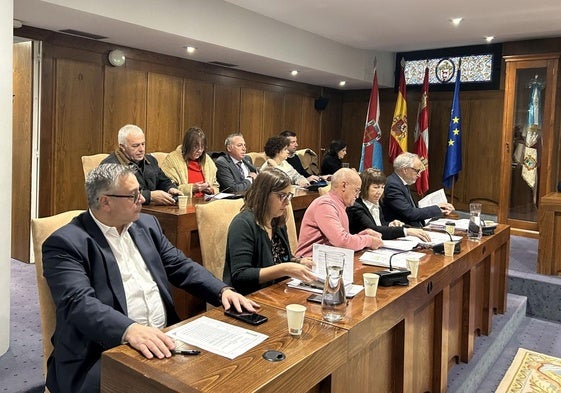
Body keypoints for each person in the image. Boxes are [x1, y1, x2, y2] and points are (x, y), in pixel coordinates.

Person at [42, 164, 259, 393]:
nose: (142, 200)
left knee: (236, 373)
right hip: (101, 352)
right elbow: (79, 303)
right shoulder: (66, 243)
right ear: (105, 202)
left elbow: (180, 265)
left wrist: (222, 291)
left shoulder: (147, 225)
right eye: (133, 195)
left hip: (164, 339)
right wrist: (129, 330)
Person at [223, 167, 317, 295]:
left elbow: (282, 258)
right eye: (282, 196)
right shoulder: (242, 224)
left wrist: (298, 262)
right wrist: (285, 269)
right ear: (264, 194)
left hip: (276, 291)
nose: (287, 203)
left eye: (289, 196)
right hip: (249, 297)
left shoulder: (277, 220)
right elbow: (240, 275)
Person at [295, 168, 383, 257]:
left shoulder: (338, 204)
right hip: (310, 263)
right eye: (356, 190)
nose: (357, 196)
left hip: (329, 259)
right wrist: (368, 240)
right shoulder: (325, 205)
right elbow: (342, 242)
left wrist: (363, 235)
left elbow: (341, 239)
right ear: (344, 186)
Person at [101, 124, 181, 205]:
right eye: (135, 146)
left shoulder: (150, 160)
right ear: (122, 147)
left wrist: (170, 188)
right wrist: (149, 196)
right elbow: (118, 195)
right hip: (124, 214)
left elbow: (164, 181)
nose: (141, 149)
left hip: (154, 211)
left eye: (143, 144)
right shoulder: (109, 166)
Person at [347, 168, 431, 242]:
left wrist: (390, 224)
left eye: (382, 187)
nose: (379, 192)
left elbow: (380, 223)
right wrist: (406, 231)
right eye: (376, 187)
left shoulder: (378, 202)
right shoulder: (356, 206)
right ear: (364, 188)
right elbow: (373, 229)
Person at [382, 152, 455, 227]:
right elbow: (410, 213)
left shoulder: (401, 182)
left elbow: (410, 209)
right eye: (417, 171)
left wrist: (439, 208)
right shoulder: (393, 185)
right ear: (405, 170)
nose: (419, 175)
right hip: (404, 230)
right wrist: (437, 208)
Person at [160, 127, 218, 198]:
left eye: (202, 147)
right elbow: (167, 187)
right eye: (196, 147)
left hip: (206, 202)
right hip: (184, 203)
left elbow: (215, 185)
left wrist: (211, 190)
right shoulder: (172, 159)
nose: (199, 150)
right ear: (187, 146)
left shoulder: (207, 161)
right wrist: (191, 189)